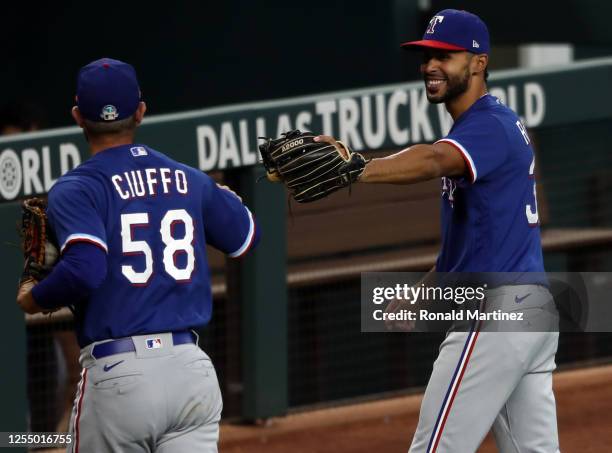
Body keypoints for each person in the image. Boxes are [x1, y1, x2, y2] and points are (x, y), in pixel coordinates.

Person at [316, 9, 560, 453]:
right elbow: (470, 246)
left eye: (445, 56)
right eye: (427, 55)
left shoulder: (488, 125)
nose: (430, 66)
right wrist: (422, 295)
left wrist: (358, 167)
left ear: (479, 62)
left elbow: (431, 160)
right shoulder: (487, 125)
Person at [16, 57, 259, 453]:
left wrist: (35, 298)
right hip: (190, 372)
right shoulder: (189, 178)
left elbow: (86, 267)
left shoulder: (77, 188)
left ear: (78, 116)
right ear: (141, 112)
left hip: (119, 376)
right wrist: (232, 202)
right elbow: (247, 239)